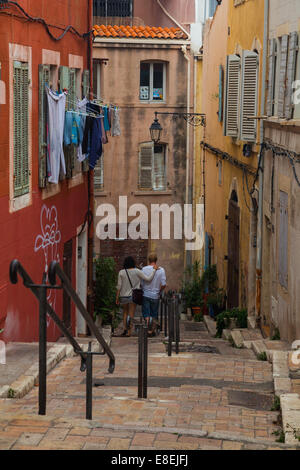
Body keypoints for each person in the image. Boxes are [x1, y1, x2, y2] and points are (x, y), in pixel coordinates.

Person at [116, 256, 158, 337]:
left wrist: (117, 297)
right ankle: (129, 332)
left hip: (123, 296)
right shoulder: (137, 271)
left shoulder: (121, 272)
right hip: (133, 296)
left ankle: (125, 329)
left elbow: (119, 286)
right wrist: (154, 270)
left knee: (125, 313)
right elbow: (148, 279)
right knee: (131, 314)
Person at [141, 253, 166, 336]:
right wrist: (159, 291)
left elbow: (141, 283)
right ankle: (152, 331)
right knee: (154, 314)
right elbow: (163, 284)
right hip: (155, 295)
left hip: (146, 294)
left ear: (149, 260)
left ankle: (148, 329)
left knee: (146, 313)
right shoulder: (161, 270)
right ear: (156, 260)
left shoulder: (144, 269)